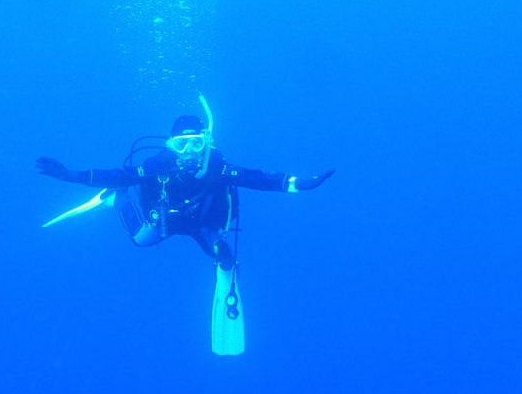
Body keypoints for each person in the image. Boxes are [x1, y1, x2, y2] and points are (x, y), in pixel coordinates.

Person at [35, 94, 334, 270]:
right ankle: (117, 199)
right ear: (170, 145)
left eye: (195, 144)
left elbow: (257, 178)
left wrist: (297, 184)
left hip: (203, 224)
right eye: (181, 145)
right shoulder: (158, 166)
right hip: (163, 220)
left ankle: (222, 255)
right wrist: (70, 176)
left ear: (206, 143)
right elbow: (118, 174)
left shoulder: (217, 167)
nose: (189, 153)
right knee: (139, 241)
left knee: (221, 255)